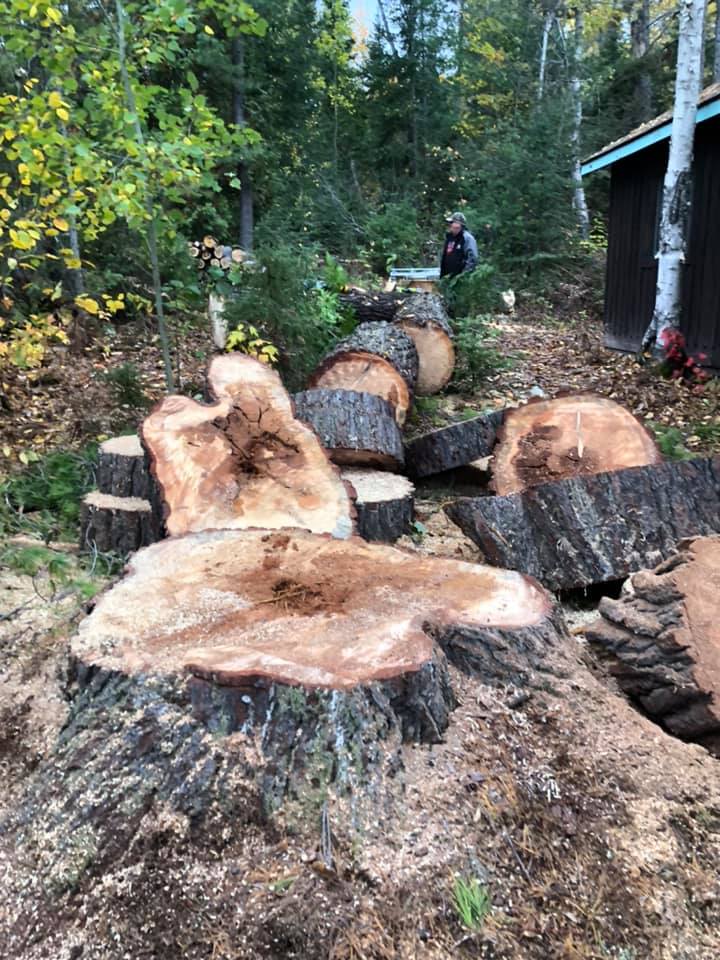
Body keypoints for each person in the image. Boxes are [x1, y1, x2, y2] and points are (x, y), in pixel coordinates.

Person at [439, 211, 478, 278]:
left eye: (452, 222)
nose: (450, 225)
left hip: (460, 279)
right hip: (447, 277)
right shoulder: (449, 237)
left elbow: (472, 259)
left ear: (458, 224)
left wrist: (463, 275)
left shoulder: (467, 238)